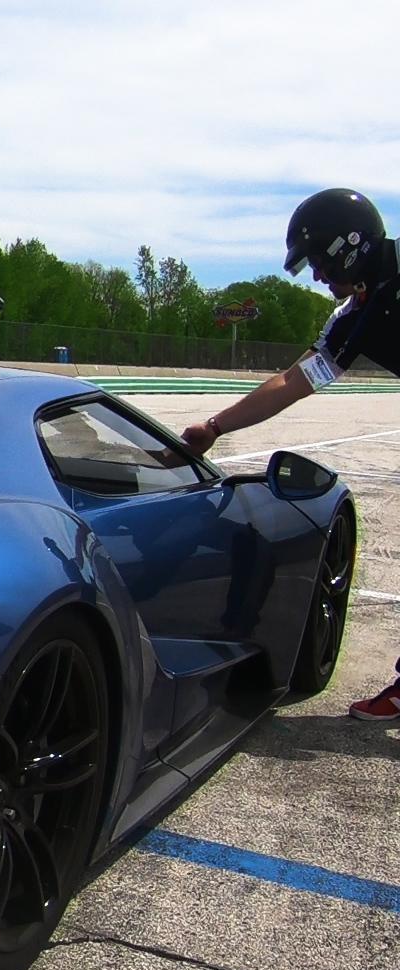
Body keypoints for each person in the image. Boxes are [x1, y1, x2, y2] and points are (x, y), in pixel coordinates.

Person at [179, 187, 400, 720]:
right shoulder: (358, 313)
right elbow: (294, 380)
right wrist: (215, 425)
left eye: (320, 262)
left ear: (348, 246)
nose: (319, 277)